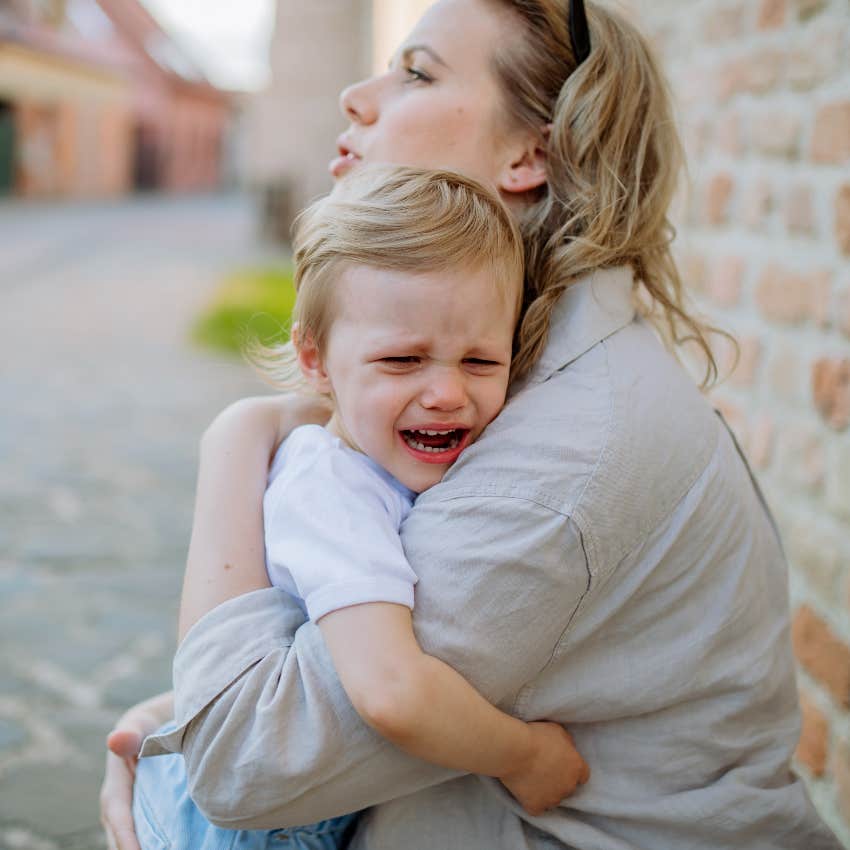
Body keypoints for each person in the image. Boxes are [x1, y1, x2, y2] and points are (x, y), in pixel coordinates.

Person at [102, 0, 841, 848]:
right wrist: (169, 714)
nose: (356, 94)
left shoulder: (561, 458)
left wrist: (238, 436)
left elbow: (234, 761)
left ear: (533, 153)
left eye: (416, 72)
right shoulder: (517, 371)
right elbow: (347, 647)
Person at [130, 165, 589, 850]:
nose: (445, 393)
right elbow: (391, 691)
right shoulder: (334, 494)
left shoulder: (386, 458)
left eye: (481, 362)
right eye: (404, 360)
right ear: (315, 362)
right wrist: (525, 756)